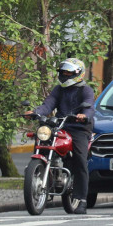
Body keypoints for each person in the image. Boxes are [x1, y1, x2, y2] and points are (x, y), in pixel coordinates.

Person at [26, 58, 95, 214]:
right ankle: (41, 175)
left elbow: (90, 106)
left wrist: (84, 116)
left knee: (80, 160)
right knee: (42, 141)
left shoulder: (86, 90)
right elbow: (48, 104)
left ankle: (82, 200)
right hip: (60, 125)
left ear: (78, 74)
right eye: (63, 72)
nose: (65, 75)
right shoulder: (59, 89)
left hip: (79, 128)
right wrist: (36, 112)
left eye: (68, 72)